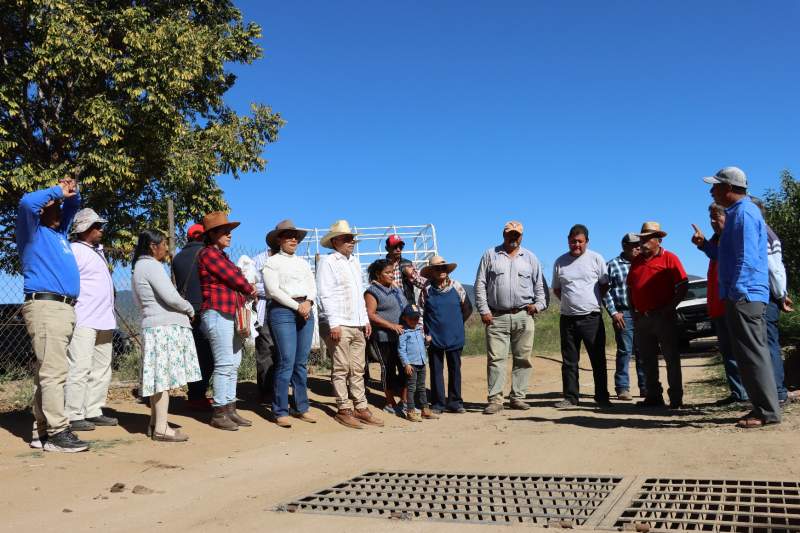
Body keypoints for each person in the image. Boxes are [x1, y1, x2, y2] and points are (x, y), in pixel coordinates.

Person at [700, 167, 780, 427]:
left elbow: (745, 257)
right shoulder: (738, 213)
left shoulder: (744, 213)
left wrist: (737, 293)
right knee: (747, 354)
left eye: (715, 186)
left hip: (744, 294)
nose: (711, 191)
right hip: (741, 294)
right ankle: (761, 408)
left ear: (728, 187)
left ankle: (766, 412)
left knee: (752, 354)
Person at [17, 177, 88, 452]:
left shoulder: (58, 234)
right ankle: (59, 433)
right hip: (46, 307)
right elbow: (26, 202)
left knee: (47, 372)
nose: (59, 209)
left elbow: (73, 208)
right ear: (42, 209)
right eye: (54, 205)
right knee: (54, 373)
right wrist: (56, 191)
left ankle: (42, 432)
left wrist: (72, 194)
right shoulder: (31, 231)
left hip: (63, 308)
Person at [132, 229, 200, 442]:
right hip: (163, 327)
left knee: (157, 379)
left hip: (153, 324)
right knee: (162, 379)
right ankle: (161, 428)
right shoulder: (152, 266)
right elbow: (170, 296)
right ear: (153, 246)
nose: (167, 249)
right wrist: (189, 308)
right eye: (164, 244)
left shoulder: (138, 267)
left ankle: (155, 423)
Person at [474, 221, 547, 415]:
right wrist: (484, 311)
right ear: (503, 234)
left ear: (522, 236)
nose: (513, 238)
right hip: (496, 316)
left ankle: (518, 397)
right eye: (510, 234)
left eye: (517, 235)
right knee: (496, 359)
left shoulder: (530, 258)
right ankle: (496, 400)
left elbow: (540, 287)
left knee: (523, 358)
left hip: (524, 315)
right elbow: (480, 284)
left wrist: (538, 306)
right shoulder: (490, 255)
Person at [316, 220, 384, 429]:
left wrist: (364, 319)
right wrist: (334, 323)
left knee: (357, 368)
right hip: (340, 322)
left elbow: (359, 294)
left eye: (352, 238)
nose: (351, 242)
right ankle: (344, 408)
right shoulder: (328, 262)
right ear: (335, 241)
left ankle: (360, 407)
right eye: (347, 238)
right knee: (341, 367)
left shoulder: (354, 262)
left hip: (356, 322)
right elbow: (325, 293)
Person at [198, 211, 257, 431]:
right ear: (213, 234)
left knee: (234, 362)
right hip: (216, 311)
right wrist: (249, 287)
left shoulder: (221, 255)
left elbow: (236, 278)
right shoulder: (209, 255)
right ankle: (220, 411)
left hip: (227, 312)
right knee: (224, 363)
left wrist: (245, 284)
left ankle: (229, 409)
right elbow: (234, 277)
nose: (230, 235)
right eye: (225, 231)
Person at [64, 208, 118, 432]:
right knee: (79, 366)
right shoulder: (74, 250)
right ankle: (73, 414)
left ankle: (93, 410)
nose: (101, 229)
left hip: (104, 318)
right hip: (84, 318)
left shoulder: (98, 251)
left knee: (102, 368)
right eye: (96, 226)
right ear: (84, 228)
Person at [691, 204, 749, 405]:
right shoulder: (717, 241)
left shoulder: (733, 238)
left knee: (740, 351)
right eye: (711, 218)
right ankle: (738, 393)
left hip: (732, 304)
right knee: (727, 351)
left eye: (716, 217)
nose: (713, 222)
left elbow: (724, 259)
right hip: (718, 307)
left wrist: (704, 245)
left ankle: (750, 394)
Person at [627, 221, 689, 409]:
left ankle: (676, 399)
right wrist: (633, 312)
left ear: (658, 240)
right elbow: (630, 288)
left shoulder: (670, 258)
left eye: (647, 238)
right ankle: (653, 396)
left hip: (663, 317)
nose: (643, 242)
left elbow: (683, 284)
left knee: (671, 358)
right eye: (642, 238)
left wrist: (670, 307)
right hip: (642, 318)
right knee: (647, 360)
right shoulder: (636, 261)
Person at [262, 220, 317, 428]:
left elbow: (312, 285)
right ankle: (280, 409)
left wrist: (309, 302)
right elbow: (273, 290)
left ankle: (301, 407)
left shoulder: (303, 263)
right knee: (286, 360)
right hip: (283, 310)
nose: (294, 239)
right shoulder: (272, 262)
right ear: (279, 239)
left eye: (296, 236)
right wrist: (298, 306)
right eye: (288, 236)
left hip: (305, 309)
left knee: (300, 362)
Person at [552, 224, 611, 408]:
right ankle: (570, 397)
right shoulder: (560, 262)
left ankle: (602, 397)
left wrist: (590, 301)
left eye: (580, 241)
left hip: (591, 317)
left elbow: (604, 284)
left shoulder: (596, 259)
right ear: (568, 240)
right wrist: (571, 303)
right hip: (568, 318)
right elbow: (557, 289)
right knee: (569, 360)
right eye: (573, 241)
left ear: (587, 241)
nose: (576, 245)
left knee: (598, 358)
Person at [751, 196, 794, 404]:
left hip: (768, 295)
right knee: (767, 343)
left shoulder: (764, 234)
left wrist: (780, 294)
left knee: (768, 344)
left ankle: (777, 392)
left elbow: (774, 268)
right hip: (769, 294)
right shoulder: (766, 233)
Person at [419, 256, 473, 414]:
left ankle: (455, 402)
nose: (441, 271)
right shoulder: (426, 289)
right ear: (431, 272)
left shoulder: (457, 286)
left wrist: (457, 324)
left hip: (455, 336)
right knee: (436, 370)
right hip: (433, 337)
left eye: (443, 268)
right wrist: (425, 333)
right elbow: (421, 313)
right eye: (437, 268)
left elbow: (468, 308)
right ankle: (438, 403)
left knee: (455, 368)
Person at [171, 223, 214, 411]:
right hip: (205, 308)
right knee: (210, 355)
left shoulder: (178, 258)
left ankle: (195, 393)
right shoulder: (207, 254)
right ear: (203, 237)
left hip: (185, 311)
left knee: (193, 354)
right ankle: (199, 394)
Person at [602, 233, 647, 401]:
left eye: (639, 244)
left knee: (643, 350)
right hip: (624, 313)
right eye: (634, 245)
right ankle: (622, 388)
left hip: (642, 312)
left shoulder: (644, 263)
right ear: (624, 246)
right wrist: (614, 313)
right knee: (625, 351)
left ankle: (645, 387)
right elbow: (605, 292)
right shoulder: (612, 265)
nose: (638, 247)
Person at [364, 259, 408, 415]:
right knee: (388, 368)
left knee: (405, 368)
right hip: (383, 337)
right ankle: (390, 402)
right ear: (378, 274)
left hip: (401, 336)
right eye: (387, 273)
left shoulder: (396, 289)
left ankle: (404, 401)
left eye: (392, 272)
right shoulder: (372, 292)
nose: (391, 276)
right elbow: (370, 314)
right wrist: (391, 326)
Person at [397, 304, 437, 422]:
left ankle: (425, 410)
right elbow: (401, 350)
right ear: (405, 318)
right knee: (411, 388)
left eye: (416, 318)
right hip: (412, 365)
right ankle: (410, 411)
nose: (414, 320)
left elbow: (422, 346)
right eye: (411, 318)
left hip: (422, 362)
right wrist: (406, 364)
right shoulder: (404, 333)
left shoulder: (419, 330)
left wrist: (427, 342)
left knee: (421, 387)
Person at [252, 238, 279, 402]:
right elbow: (251, 286)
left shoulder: (289, 260)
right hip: (265, 310)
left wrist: (268, 288)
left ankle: (279, 390)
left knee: (283, 351)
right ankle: (266, 391)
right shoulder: (258, 260)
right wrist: (274, 289)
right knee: (265, 349)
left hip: (286, 310)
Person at [385, 234, 428, 304]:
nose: (398, 249)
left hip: (407, 305)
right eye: (395, 247)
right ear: (387, 248)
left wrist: (411, 275)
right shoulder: (381, 266)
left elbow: (423, 285)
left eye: (401, 247)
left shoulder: (408, 264)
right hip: (389, 306)